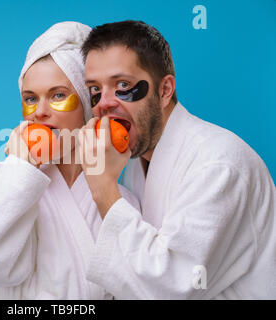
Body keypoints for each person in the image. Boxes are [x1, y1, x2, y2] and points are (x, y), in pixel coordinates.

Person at [77, 20, 276, 299]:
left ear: (165, 90)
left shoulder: (218, 163)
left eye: (123, 84)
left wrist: (102, 187)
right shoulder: (136, 162)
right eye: (95, 90)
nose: (103, 103)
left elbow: (169, 289)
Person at [0, 21, 139, 299]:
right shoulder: (0, 180)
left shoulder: (119, 200)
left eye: (58, 95)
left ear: (85, 103)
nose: (40, 112)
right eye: (30, 99)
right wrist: (20, 169)